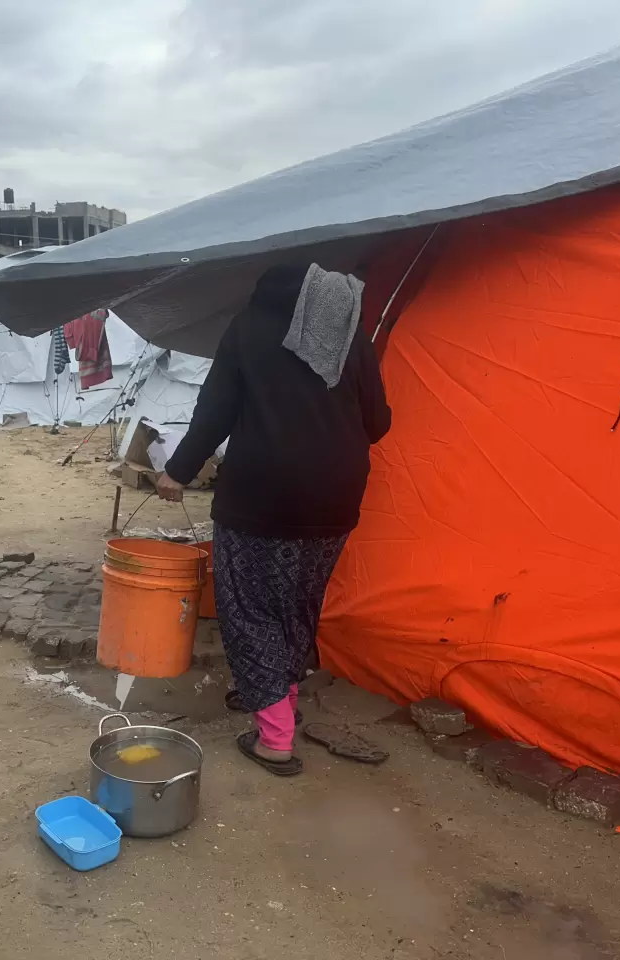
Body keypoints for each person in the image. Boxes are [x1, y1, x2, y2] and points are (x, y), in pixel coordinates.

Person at [156, 263, 392, 776]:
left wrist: (178, 471)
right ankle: (279, 695)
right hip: (335, 498)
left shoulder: (249, 326)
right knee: (298, 603)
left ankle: (275, 738)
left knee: (250, 608)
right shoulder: (349, 336)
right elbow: (379, 422)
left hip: (260, 495)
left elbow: (215, 410)